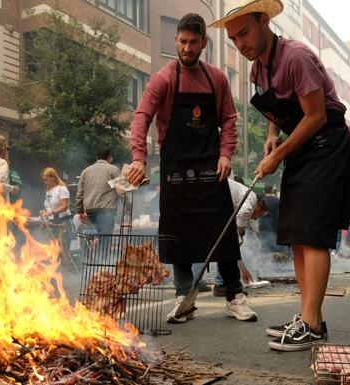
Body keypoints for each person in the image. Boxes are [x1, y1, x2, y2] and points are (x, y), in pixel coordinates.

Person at [213, 0, 350, 351]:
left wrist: (278, 154)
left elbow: (316, 115)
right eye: (233, 39)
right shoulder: (257, 71)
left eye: (244, 33)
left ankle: (310, 321)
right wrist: (274, 135)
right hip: (302, 149)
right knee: (295, 234)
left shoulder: (296, 57)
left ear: (264, 21)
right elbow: (277, 109)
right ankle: (312, 320)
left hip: (327, 143)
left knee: (313, 233)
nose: (240, 43)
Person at [126, 13, 257, 324]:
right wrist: (138, 157)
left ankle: (235, 296)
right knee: (176, 233)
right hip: (175, 166)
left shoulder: (217, 79)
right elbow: (141, 116)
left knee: (222, 232)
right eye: (182, 42)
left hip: (212, 166)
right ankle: (183, 296)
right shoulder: (164, 78)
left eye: (193, 43)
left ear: (204, 44)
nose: (186, 48)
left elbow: (228, 120)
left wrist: (226, 154)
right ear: (176, 41)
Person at [212, 178, 269, 296]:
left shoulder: (243, 199)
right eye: (259, 215)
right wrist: (240, 232)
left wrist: (243, 269)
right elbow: (244, 213)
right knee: (224, 248)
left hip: (216, 206)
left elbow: (234, 250)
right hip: (214, 204)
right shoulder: (251, 199)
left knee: (224, 248)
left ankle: (221, 284)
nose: (255, 218)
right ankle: (222, 284)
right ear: (259, 206)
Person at [76, 148, 121, 234]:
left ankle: (96, 247)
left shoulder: (86, 171)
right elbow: (121, 190)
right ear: (109, 158)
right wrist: (128, 207)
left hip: (91, 212)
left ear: (96, 157)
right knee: (105, 239)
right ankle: (101, 247)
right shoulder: (113, 169)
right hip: (106, 210)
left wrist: (80, 211)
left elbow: (80, 193)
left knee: (97, 237)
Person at [40, 167, 72, 261]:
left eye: (47, 180)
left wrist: (52, 212)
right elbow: (49, 207)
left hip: (64, 220)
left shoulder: (62, 189)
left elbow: (65, 206)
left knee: (63, 247)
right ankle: (56, 269)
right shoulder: (48, 191)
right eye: (44, 180)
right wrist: (44, 212)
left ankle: (66, 269)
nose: (45, 182)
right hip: (53, 221)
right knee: (53, 247)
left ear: (53, 177)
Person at [258, 184, 280, 253]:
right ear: (271, 191)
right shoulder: (277, 200)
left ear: (264, 191)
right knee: (273, 243)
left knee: (264, 244)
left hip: (263, 224)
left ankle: (265, 259)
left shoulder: (261, 200)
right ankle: (274, 259)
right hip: (273, 224)